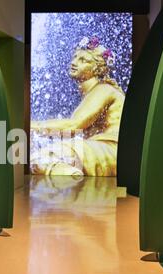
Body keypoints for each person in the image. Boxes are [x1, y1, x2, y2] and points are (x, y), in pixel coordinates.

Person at [31, 37, 125, 176]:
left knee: (41, 158)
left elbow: (73, 126)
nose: (74, 63)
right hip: (104, 150)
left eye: (83, 60)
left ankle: (71, 183)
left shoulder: (104, 89)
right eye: (75, 57)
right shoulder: (97, 91)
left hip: (111, 151)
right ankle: (72, 185)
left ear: (97, 68)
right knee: (41, 159)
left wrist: (32, 126)